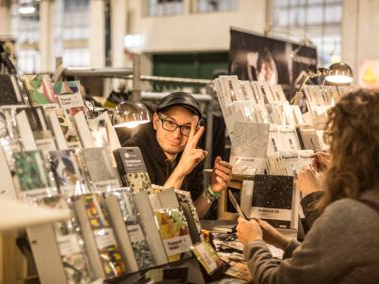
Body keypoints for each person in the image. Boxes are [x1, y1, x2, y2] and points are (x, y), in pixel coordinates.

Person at [236, 90, 379, 283]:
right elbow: (332, 255)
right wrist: (282, 242)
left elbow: (276, 281)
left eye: (334, 137)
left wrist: (253, 242)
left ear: (348, 145)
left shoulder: (350, 215)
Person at [123, 91, 232, 218]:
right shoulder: (131, 153)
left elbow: (189, 217)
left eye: (186, 128)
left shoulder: (192, 157)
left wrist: (212, 190)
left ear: (196, 131)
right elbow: (150, 218)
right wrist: (181, 170)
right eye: (170, 123)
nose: (176, 135)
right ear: (156, 121)